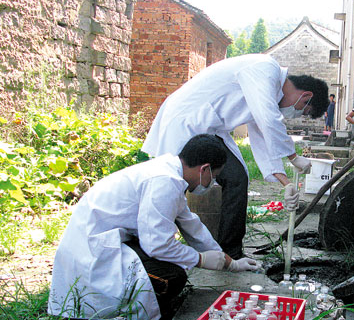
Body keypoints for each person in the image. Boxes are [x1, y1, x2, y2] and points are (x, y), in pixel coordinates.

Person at [48, 135, 258, 320]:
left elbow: (190, 224)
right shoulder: (165, 180)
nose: (212, 183)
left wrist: (229, 262)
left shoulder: (171, 172)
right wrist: (201, 259)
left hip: (107, 241)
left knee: (174, 262)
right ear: (204, 169)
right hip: (92, 255)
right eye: (213, 177)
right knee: (171, 276)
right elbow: (157, 245)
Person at [142, 54, 329, 259]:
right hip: (187, 120)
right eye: (303, 110)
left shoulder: (269, 91)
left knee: (237, 177)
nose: (296, 114)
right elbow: (268, 120)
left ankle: (230, 253)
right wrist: (293, 157)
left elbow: (261, 136)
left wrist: (286, 184)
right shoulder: (265, 69)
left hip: (210, 128)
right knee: (175, 184)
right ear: (305, 96)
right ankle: (155, 244)